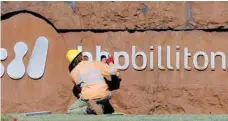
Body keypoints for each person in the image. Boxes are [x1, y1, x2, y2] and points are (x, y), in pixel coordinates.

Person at [66, 49, 118, 115]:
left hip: (89, 97)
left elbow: (80, 88)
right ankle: (104, 106)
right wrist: (110, 62)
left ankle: (88, 110)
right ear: (79, 57)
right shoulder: (95, 63)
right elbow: (114, 71)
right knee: (104, 98)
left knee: (70, 110)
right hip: (105, 95)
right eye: (81, 55)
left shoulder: (73, 73)